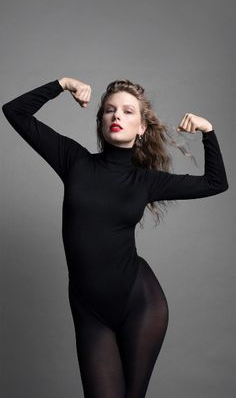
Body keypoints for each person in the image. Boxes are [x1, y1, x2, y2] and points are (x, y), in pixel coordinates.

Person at [2, 76, 229, 398]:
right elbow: (15, 112)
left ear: (141, 128)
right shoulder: (75, 162)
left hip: (140, 302)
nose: (117, 116)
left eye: (127, 111)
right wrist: (62, 84)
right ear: (101, 122)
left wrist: (209, 131)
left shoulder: (146, 181)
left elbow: (215, 184)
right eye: (109, 110)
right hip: (89, 308)